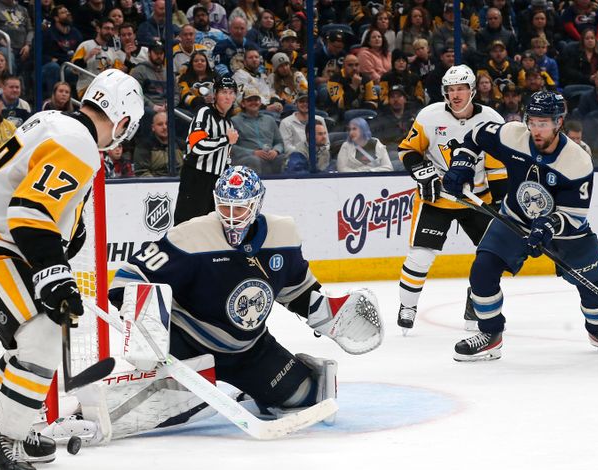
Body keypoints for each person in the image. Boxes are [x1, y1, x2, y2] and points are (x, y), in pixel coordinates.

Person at [61, 165, 381, 442]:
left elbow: (297, 290)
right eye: (224, 207)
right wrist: (147, 327)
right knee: (172, 410)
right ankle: (84, 415)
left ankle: (251, 389)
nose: (230, 217)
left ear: (255, 205)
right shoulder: (192, 237)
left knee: (306, 398)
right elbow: (128, 279)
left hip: (251, 351)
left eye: (239, 209)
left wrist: (327, 315)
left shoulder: (282, 235)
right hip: (189, 346)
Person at [0, 69, 143, 470]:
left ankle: (20, 425)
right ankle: (4, 448)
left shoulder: (54, 123)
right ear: (123, 120)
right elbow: (31, 212)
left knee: (27, 343)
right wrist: (54, 277)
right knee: (44, 335)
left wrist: (63, 248)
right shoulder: (80, 142)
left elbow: (41, 212)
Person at [442, 91, 598, 362]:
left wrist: (547, 226)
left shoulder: (576, 161)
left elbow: (574, 214)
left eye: (543, 123)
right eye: (532, 121)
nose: (536, 129)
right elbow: (476, 135)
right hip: (515, 218)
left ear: (559, 122)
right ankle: (490, 335)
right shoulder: (513, 135)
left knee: (594, 282)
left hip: (566, 230)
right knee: (483, 270)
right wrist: (462, 163)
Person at [396, 65, 506, 331]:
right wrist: (421, 172)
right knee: (420, 256)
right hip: (437, 197)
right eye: (451, 90)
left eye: (461, 89)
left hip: (477, 198)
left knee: (492, 258)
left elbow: (498, 166)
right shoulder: (429, 116)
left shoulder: (491, 119)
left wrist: (503, 202)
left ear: (472, 90)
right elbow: (408, 151)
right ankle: (407, 305)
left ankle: (476, 302)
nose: (455, 95)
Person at [173, 76, 239, 225]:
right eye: (223, 92)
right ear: (215, 94)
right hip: (196, 177)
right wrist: (226, 140)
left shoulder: (229, 124)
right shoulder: (205, 113)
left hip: (216, 183)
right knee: (187, 225)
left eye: (231, 92)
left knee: (211, 228)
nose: (228, 96)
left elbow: (226, 158)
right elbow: (197, 146)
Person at [230, 86, 287, 175]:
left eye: (256, 100)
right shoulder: (234, 121)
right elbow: (231, 147)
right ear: (243, 103)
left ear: (260, 102)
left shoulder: (270, 120)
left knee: (287, 158)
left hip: (270, 157)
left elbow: (279, 142)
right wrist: (253, 152)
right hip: (247, 158)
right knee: (254, 160)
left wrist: (276, 151)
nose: (254, 103)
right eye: (249, 100)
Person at [134, 110, 184, 176]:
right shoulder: (144, 146)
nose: (164, 127)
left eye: (167, 124)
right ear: (153, 127)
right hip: (154, 184)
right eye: (160, 124)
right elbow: (141, 172)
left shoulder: (181, 144)